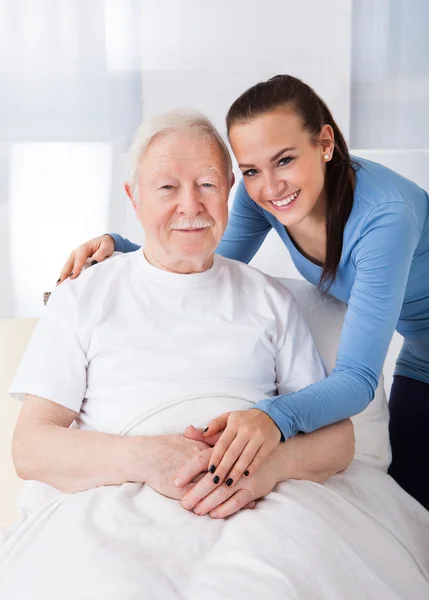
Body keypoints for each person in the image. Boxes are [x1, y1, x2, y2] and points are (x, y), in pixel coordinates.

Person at [2, 109, 429, 600]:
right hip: (118, 495)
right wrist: (150, 458)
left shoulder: (268, 297)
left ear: (229, 189)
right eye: (166, 188)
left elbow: (337, 442)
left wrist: (270, 467)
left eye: (207, 184)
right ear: (132, 197)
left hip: (263, 498)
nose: (191, 205)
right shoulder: (85, 293)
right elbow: (30, 448)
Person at [61, 75, 429, 509]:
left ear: (325, 143)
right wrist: (122, 248)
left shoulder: (384, 216)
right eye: (252, 170)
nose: (271, 186)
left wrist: (271, 417)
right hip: (421, 360)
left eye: (286, 160)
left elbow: (358, 380)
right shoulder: (265, 200)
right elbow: (204, 251)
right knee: (414, 507)